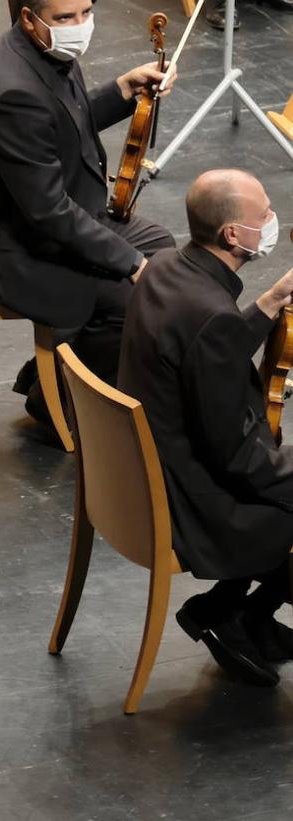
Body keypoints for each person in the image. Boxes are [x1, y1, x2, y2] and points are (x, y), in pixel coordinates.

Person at [0, 0, 177, 438]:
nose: (80, 26)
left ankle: (56, 374)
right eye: (65, 18)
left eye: (86, 12)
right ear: (28, 17)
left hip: (49, 216)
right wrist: (131, 263)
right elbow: (49, 213)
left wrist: (122, 89)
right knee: (136, 297)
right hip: (15, 244)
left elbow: (64, 120)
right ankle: (62, 403)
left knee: (163, 249)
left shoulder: (45, 51)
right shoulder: (13, 93)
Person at [118, 169, 293, 686]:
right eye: (263, 215)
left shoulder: (168, 266)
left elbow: (202, 358)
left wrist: (267, 304)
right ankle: (233, 615)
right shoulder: (211, 316)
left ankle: (238, 615)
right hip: (190, 498)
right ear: (233, 235)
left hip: (148, 468)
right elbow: (235, 456)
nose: (272, 220)